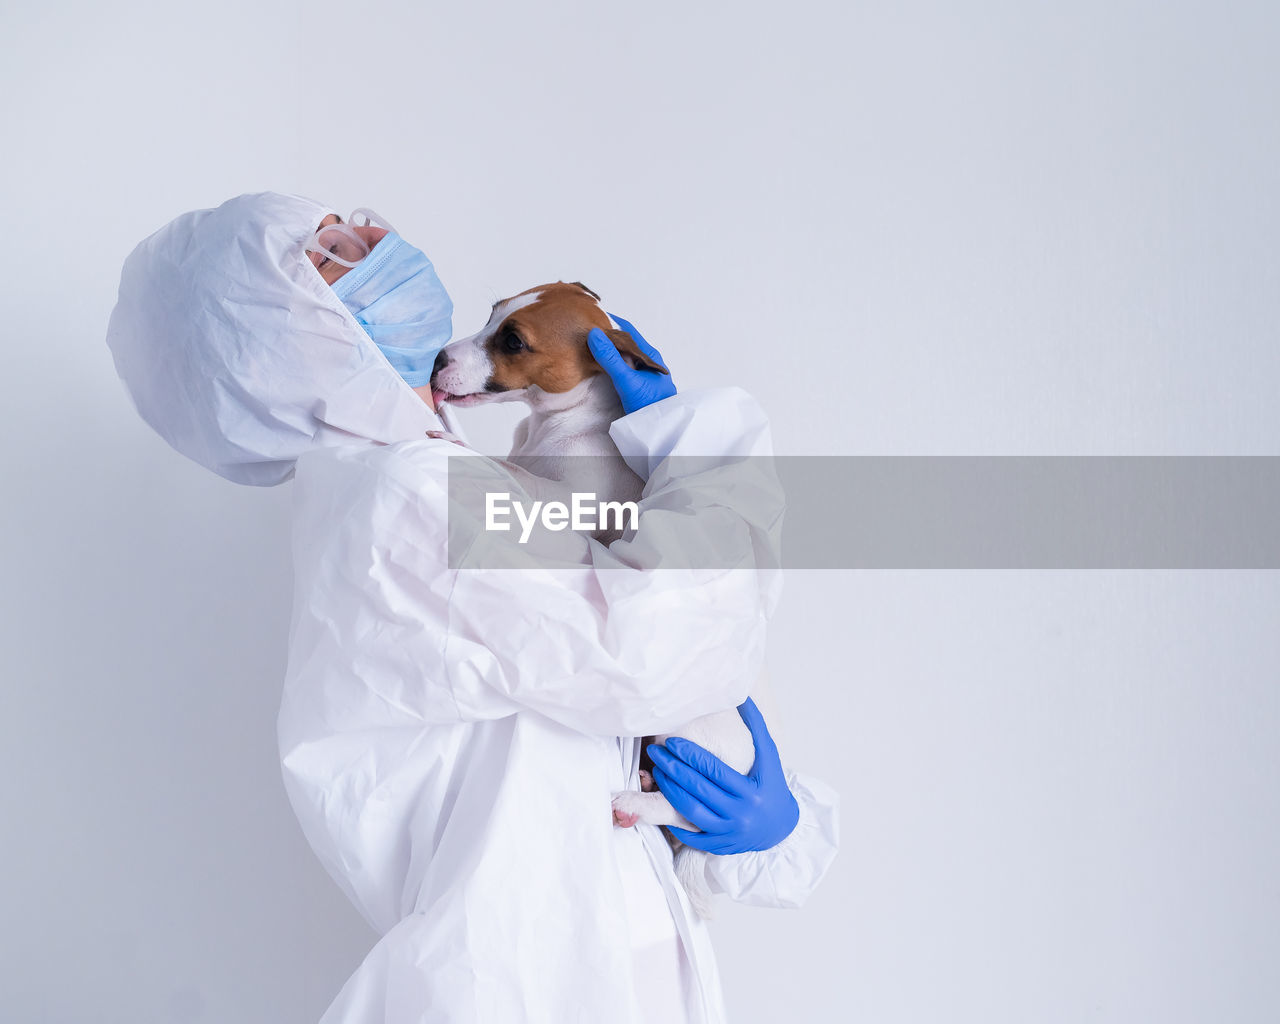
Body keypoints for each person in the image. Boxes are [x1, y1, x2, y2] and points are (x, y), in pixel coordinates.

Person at [107, 191, 839, 1023]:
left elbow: (610, 719)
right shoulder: (412, 500)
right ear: (285, 339)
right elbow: (664, 641)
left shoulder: (425, 485)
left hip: (570, 970)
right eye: (329, 248)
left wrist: (757, 836)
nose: (370, 227)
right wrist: (696, 445)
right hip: (525, 985)